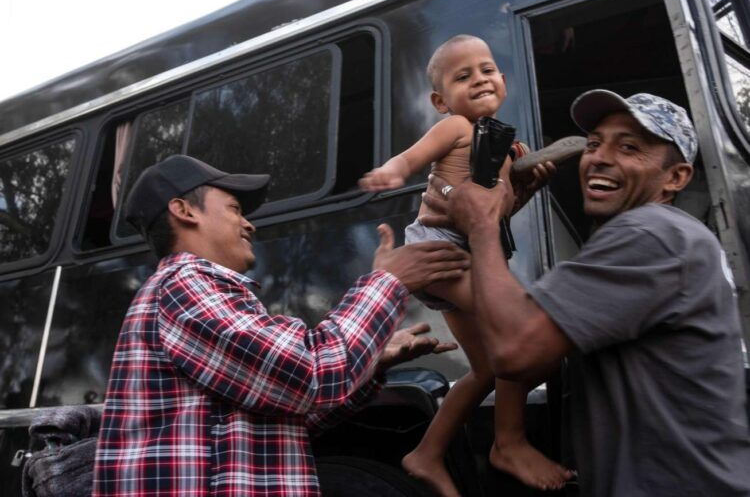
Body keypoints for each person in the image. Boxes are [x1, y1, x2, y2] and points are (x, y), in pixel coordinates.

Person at [423, 90, 750, 496]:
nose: (599, 156)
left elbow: (513, 349)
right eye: (594, 143)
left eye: (630, 147)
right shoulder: (670, 237)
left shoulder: (652, 233)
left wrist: (484, 224)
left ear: (676, 178)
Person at [91, 154, 471, 497]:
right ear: (184, 211)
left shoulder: (192, 290)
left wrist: (374, 362)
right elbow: (313, 373)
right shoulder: (185, 284)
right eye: (236, 208)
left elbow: (290, 414)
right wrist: (388, 281)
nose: (248, 225)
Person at [359, 34, 572, 495]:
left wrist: (525, 190)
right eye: (463, 76)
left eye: (487, 69)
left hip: (467, 254)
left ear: (502, 80)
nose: (479, 79)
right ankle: (509, 442)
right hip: (440, 251)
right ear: (441, 100)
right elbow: (413, 157)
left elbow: (489, 213)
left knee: (485, 370)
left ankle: (426, 453)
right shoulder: (457, 128)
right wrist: (395, 171)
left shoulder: (509, 148)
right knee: (515, 333)